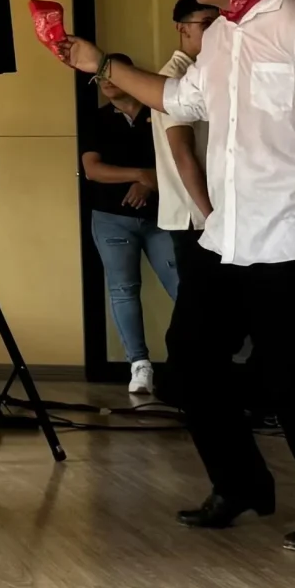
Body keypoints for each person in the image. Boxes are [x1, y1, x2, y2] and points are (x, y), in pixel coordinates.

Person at [57, 0, 295, 552]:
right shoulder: (224, 35)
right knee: (190, 357)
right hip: (234, 232)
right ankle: (241, 483)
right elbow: (181, 101)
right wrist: (100, 65)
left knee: (291, 369)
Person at [81, 52, 177, 398]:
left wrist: (152, 183)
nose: (105, 83)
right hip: (112, 219)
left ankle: (193, 362)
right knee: (123, 290)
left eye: (111, 75)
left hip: (165, 216)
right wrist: (141, 175)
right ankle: (139, 365)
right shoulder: (97, 119)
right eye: (99, 78)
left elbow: (182, 160)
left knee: (184, 286)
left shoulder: (160, 113)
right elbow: (94, 170)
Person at [155, 0, 218, 236]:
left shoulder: (208, 73)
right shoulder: (174, 77)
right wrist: (211, 217)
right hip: (196, 215)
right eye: (207, 25)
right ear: (182, 28)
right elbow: (183, 154)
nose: (215, 34)